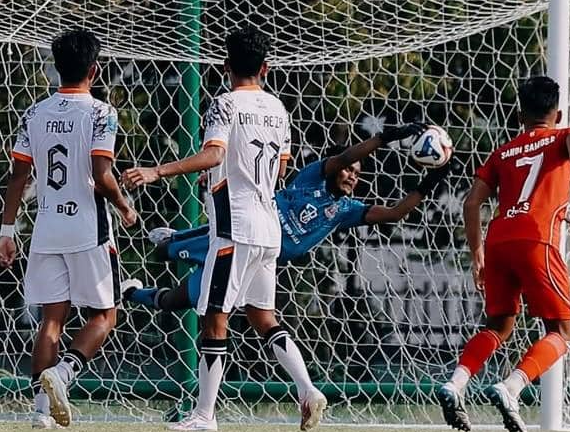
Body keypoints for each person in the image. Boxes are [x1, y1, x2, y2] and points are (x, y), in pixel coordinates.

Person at [123, 24, 322, 432]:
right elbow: (281, 167)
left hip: (236, 228)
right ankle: (307, 389)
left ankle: (204, 415)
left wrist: (157, 171)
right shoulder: (279, 109)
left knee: (216, 317)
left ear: (226, 65)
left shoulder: (225, 104)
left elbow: (214, 153)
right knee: (263, 315)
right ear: (266, 67)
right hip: (269, 229)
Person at [125, 127, 449, 313]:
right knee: (162, 252)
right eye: (349, 169)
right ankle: (170, 238)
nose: (352, 175)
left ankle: (131, 293)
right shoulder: (312, 179)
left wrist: (430, 183)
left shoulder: (345, 210)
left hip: (261, 258)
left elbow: (395, 213)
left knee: (176, 301)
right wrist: (384, 138)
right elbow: (347, 156)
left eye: (357, 174)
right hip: (239, 234)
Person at [0, 28, 137, 429]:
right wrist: (124, 205)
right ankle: (64, 372)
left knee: (51, 320)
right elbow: (101, 172)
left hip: (46, 227)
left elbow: (18, 175)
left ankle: (41, 412)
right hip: (87, 228)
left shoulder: (34, 113)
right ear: (95, 69)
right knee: (105, 315)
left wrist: (7, 231)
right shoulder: (101, 112)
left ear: (57, 68)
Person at [438, 75, 570, 432]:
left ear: (519, 115)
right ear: (558, 112)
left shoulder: (502, 152)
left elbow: (472, 202)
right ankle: (512, 387)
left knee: (499, 324)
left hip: (498, 242)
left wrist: (477, 254)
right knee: (563, 331)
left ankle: (455, 383)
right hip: (537, 239)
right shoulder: (564, 134)